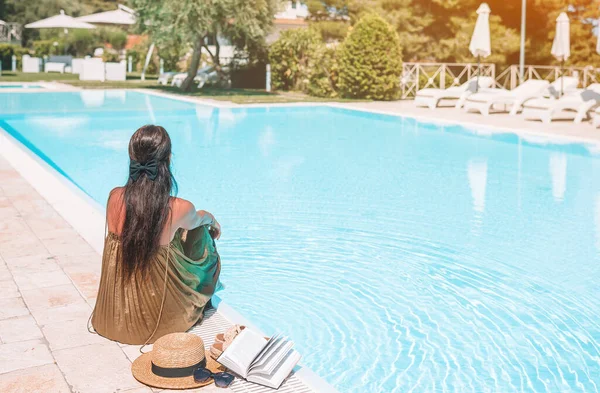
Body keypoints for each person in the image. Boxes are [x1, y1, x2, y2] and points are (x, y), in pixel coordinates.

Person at [91, 125, 221, 345]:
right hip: (155, 324)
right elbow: (200, 220)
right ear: (168, 159)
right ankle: (200, 289)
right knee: (199, 230)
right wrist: (213, 221)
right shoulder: (178, 208)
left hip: (109, 320)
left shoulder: (114, 196)